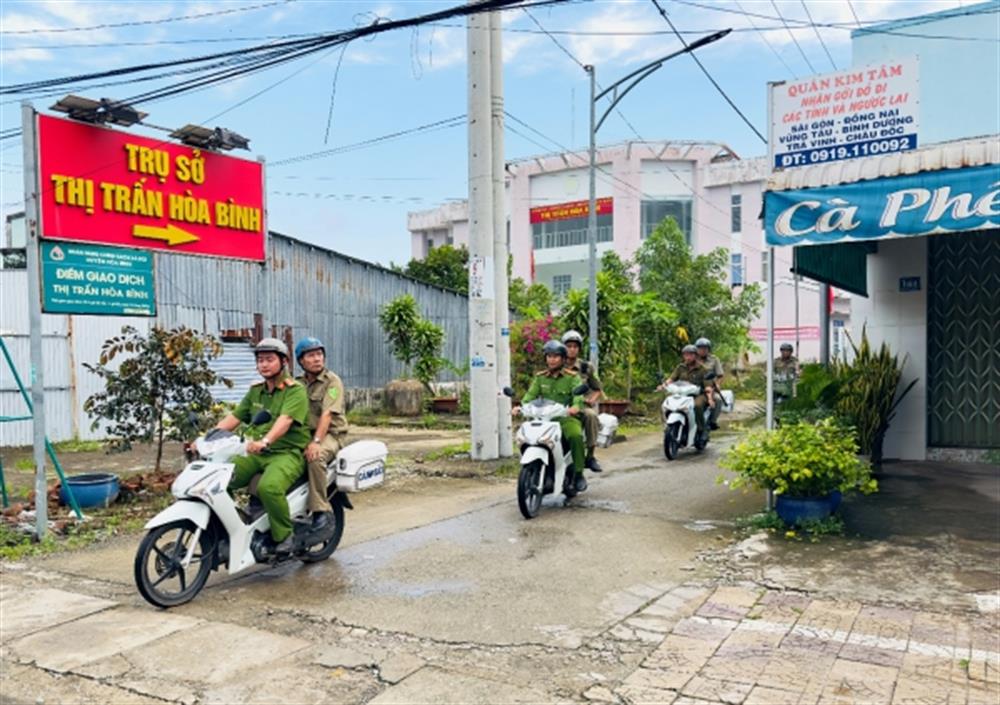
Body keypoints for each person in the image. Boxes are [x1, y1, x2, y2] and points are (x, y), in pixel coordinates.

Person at [214, 338, 310, 555]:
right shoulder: (256, 391)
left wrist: (265, 441)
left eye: (269, 359)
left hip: (286, 452)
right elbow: (235, 418)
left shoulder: (296, 391)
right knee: (220, 479)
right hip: (254, 451)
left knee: (269, 487)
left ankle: (284, 536)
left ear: (283, 361)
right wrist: (207, 438)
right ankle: (233, 528)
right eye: (260, 360)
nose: (263, 365)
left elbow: (284, 421)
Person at [513, 340, 588, 494]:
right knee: (528, 437)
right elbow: (529, 396)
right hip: (543, 419)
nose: (552, 359)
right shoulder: (540, 378)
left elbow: (578, 398)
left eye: (556, 356)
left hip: (564, 418)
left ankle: (579, 474)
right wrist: (520, 407)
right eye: (549, 356)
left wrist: (575, 407)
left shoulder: (572, 377)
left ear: (563, 359)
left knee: (575, 436)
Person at [294, 336, 348, 532]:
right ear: (301, 361)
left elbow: (327, 415)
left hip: (331, 434)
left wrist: (316, 442)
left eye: (319, 354)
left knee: (316, 458)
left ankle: (320, 511)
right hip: (304, 434)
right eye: (311, 355)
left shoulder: (332, 382)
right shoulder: (296, 383)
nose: (317, 359)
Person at [561, 330, 604, 473]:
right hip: (559, 406)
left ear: (579, 349)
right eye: (569, 346)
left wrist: (591, 400)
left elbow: (598, 388)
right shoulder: (557, 365)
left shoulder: (586, 367)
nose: (572, 349)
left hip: (581, 405)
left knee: (591, 415)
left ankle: (590, 456)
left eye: (575, 346)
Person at [660, 344, 715, 442]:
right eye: (685, 355)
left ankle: (701, 430)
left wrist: (710, 398)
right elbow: (672, 379)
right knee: (667, 404)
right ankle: (668, 425)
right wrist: (664, 385)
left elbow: (708, 386)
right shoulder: (680, 367)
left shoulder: (703, 369)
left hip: (698, 395)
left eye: (690, 355)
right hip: (681, 394)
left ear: (696, 356)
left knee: (697, 405)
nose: (688, 357)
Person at [695, 337, 724, 430]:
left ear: (708, 349)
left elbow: (720, 375)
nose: (703, 350)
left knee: (718, 400)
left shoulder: (714, 359)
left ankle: (712, 421)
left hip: (709, 388)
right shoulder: (692, 359)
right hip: (693, 388)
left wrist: (718, 385)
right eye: (700, 348)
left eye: (705, 348)